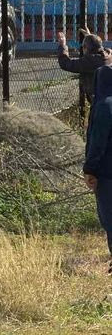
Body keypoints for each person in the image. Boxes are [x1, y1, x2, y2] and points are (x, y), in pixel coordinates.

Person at [85, 66, 112, 274]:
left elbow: (98, 142)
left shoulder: (104, 107)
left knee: (109, 217)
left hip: (107, 172)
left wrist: (90, 169)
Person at [57, 30, 112, 103]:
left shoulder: (89, 61)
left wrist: (63, 45)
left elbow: (66, 64)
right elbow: (97, 45)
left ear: (86, 48)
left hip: (99, 98)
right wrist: (91, 38)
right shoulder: (109, 54)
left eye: (83, 47)